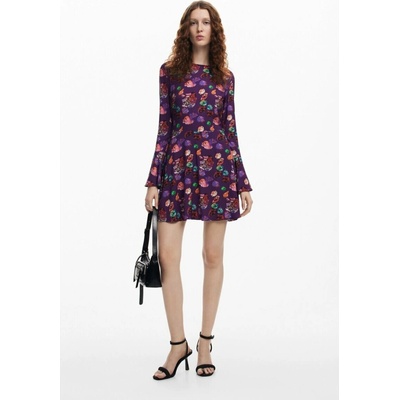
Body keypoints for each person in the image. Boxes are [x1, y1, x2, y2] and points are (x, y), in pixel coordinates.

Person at [144, 1, 253, 380]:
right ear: (186, 30)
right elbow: (164, 127)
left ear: (214, 29)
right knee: (168, 257)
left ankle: (205, 341)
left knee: (212, 255)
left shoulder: (225, 77)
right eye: (194, 22)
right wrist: (153, 179)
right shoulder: (169, 73)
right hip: (176, 169)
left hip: (218, 170)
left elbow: (230, 131)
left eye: (206, 22)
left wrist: (242, 182)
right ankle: (178, 345)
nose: (200, 28)